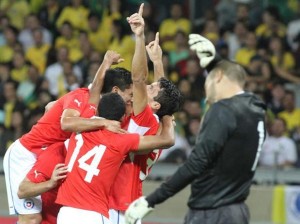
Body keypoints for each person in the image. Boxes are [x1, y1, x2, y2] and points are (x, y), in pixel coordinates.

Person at [125, 34, 267, 224]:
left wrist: (152, 200)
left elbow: (197, 163)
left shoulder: (223, 110)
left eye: (208, 78)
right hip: (237, 210)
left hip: (211, 212)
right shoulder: (256, 110)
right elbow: (165, 98)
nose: (206, 89)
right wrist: (214, 63)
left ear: (218, 78)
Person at [3, 50, 126, 224]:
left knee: (45, 214)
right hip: (25, 154)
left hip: (47, 154)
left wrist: (106, 62)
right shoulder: (81, 96)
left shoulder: (93, 105)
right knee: (31, 217)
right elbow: (66, 123)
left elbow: (51, 106)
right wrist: (103, 123)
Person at [109, 5, 183, 224]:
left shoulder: (145, 119)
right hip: (129, 201)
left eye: (152, 90)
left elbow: (139, 79)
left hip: (119, 205)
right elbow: (162, 91)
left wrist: (139, 37)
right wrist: (158, 61)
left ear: (156, 106)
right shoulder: (161, 121)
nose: (147, 87)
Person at [56, 92, 176, 224]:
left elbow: (63, 118)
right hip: (93, 213)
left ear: (96, 110)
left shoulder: (78, 127)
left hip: (65, 212)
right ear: (123, 117)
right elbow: (167, 140)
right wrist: (167, 114)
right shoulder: (121, 140)